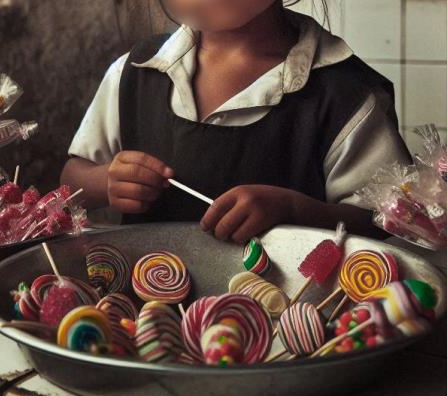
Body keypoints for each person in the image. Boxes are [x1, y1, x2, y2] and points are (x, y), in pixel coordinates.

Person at [61, 0, 410, 242]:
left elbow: (388, 224)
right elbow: (70, 182)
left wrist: (294, 210)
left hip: (292, 329)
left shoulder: (345, 96)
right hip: (144, 321)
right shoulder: (134, 72)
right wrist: (105, 181)